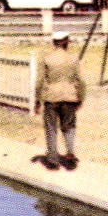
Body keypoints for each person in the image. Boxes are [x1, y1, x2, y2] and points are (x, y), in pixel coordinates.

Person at [36, 30, 85, 171]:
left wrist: (37, 101)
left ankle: (53, 159)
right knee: (69, 125)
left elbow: (40, 81)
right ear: (66, 42)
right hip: (69, 97)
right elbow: (80, 80)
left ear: (54, 43)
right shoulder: (73, 58)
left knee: (51, 127)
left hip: (51, 97)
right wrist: (80, 97)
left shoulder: (47, 59)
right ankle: (70, 152)